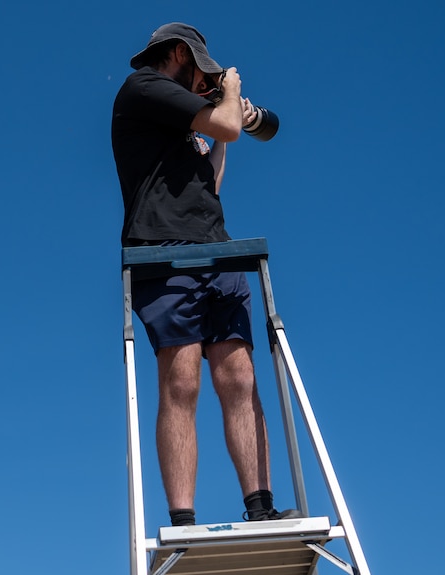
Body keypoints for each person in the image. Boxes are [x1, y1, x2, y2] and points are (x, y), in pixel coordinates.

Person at [111, 22, 301, 526]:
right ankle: (184, 520)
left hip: (215, 250)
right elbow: (228, 123)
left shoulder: (191, 122)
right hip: (162, 251)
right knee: (182, 383)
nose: (207, 82)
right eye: (203, 71)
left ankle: (261, 508)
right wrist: (231, 93)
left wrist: (223, 131)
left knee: (239, 377)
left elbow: (211, 178)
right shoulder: (144, 88)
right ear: (179, 54)